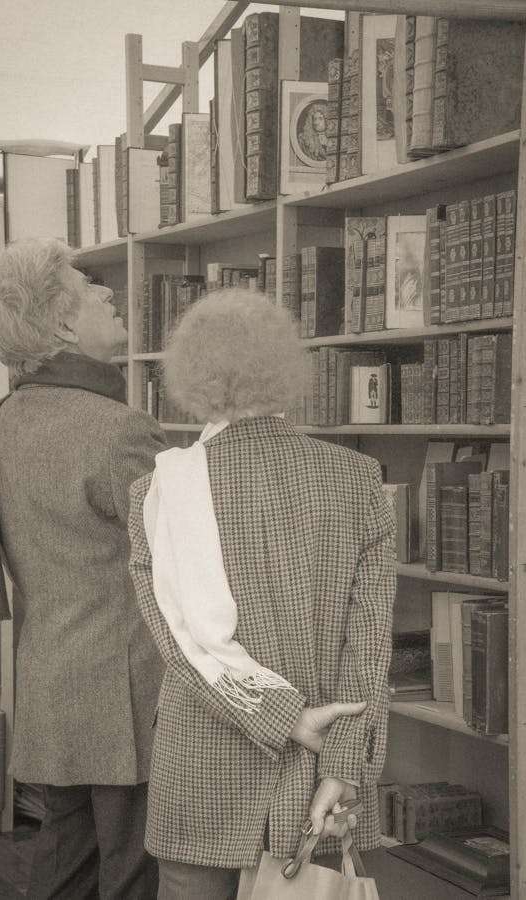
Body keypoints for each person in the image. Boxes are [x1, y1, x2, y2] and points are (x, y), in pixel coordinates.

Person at [127, 289, 397, 900]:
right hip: (317, 778)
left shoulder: (159, 491)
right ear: (288, 369)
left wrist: (287, 719)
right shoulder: (358, 479)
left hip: (202, 771)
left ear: (188, 377)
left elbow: (182, 650)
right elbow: (369, 646)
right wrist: (344, 766)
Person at [0, 238, 166, 899]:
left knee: (66, 867)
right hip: (124, 690)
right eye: (89, 286)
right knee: (133, 873)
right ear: (61, 321)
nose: (110, 294)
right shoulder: (121, 427)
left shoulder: (3, 420)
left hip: (52, 679)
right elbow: (178, 560)